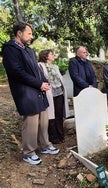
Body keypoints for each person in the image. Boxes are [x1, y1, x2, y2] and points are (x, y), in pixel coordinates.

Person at [2, 22, 59, 165]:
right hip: (25, 91)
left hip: (38, 89)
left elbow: (37, 69)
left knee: (44, 120)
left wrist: (44, 82)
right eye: (29, 33)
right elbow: (17, 72)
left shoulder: (29, 50)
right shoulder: (10, 49)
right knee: (31, 123)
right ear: (19, 33)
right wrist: (38, 84)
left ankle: (45, 145)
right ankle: (28, 152)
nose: (31, 37)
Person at [38, 49, 70, 144]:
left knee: (59, 115)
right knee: (51, 116)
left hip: (59, 92)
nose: (53, 55)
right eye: (51, 54)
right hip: (49, 94)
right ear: (45, 56)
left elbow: (59, 79)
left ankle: (61, 135)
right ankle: (53, 137)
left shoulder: (55, 66)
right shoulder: (40, 66)